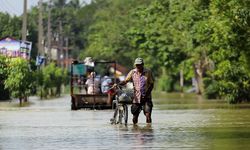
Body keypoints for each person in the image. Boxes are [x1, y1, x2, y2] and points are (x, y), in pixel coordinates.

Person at [117, 57, 154, 124]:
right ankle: (135, 130)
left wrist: (146, 95)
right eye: (137, 65)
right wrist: (118, 84)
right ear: (135, 65)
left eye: (139, 65)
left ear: (142, 64)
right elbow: (126, 81)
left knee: (148, 115)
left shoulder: (148, 72)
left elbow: (151, 84)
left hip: (146, 97)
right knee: (135, 117)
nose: (138, 66)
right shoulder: (132, 72)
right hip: (136, 98)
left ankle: (148, 131)